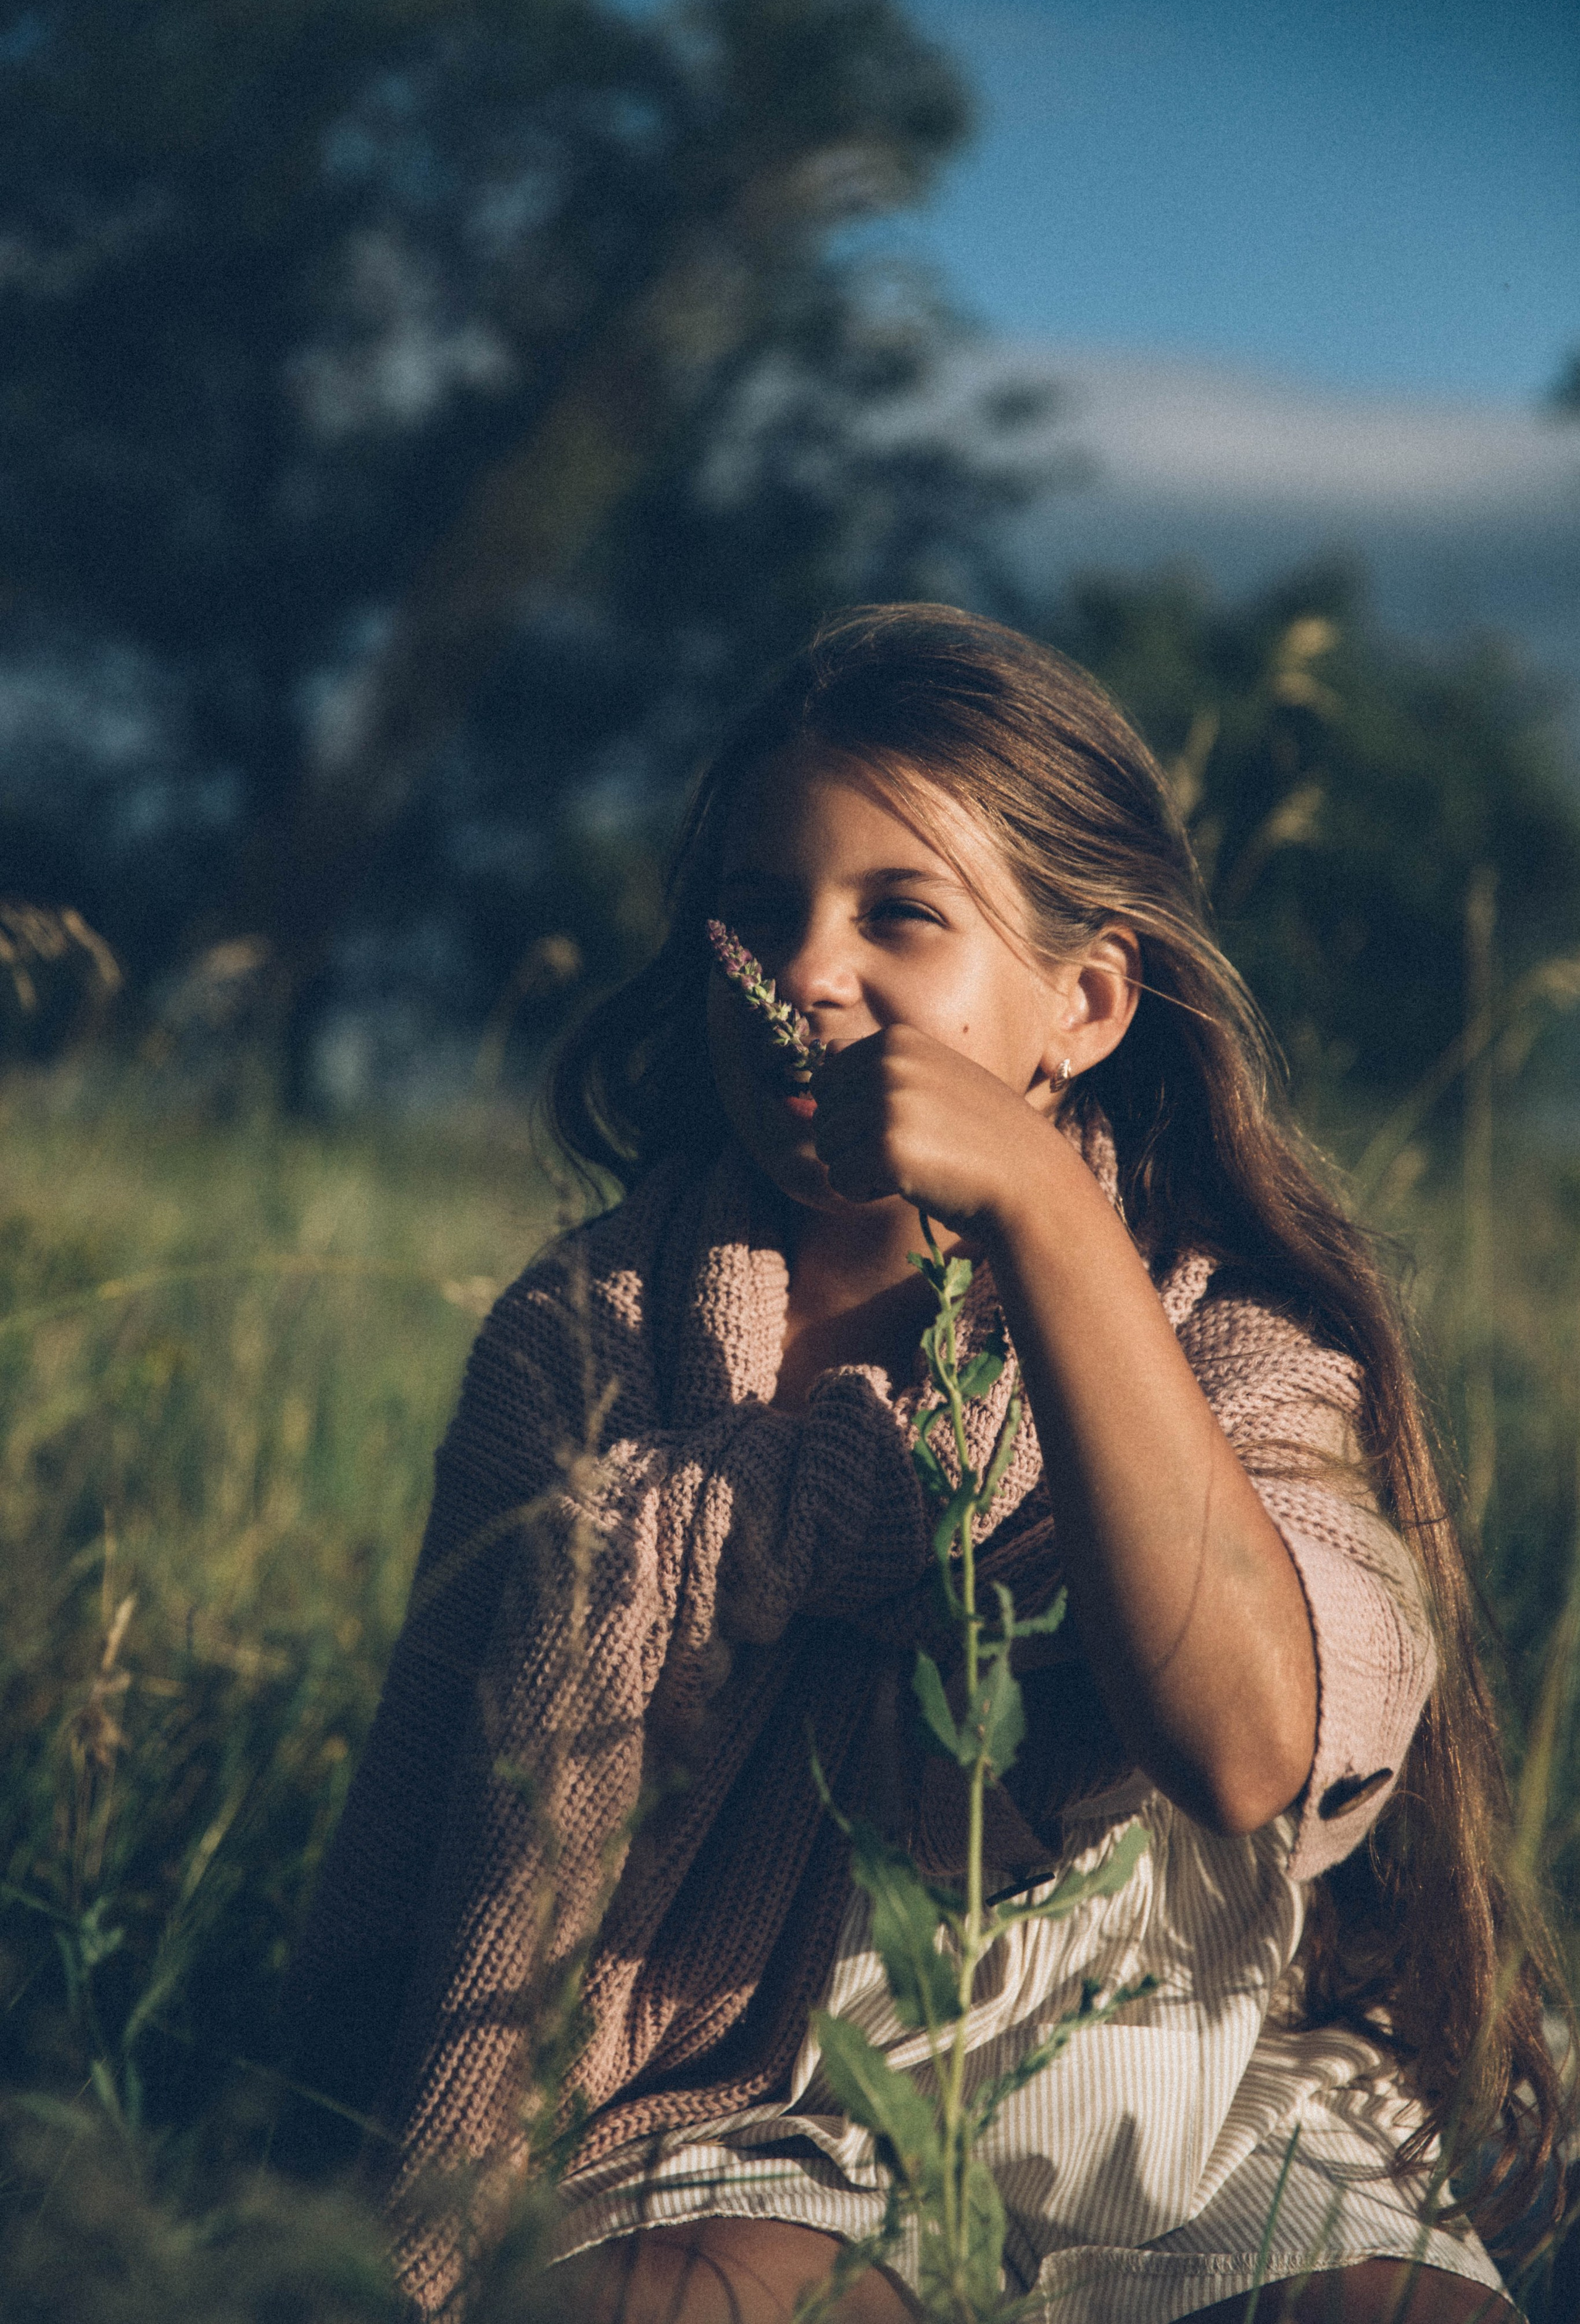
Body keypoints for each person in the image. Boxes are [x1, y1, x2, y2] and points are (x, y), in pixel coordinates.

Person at [286, 606, 1568, 2322]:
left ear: (1086, 1003)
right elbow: (430, 1804)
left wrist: (1042, 1213)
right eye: (758, 915)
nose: (811, 973)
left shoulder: (1232, 1336)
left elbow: (1247, 1746)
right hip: (733, 2059)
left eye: (899, 915)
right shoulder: (592, 1326)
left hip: (1179, 2070)